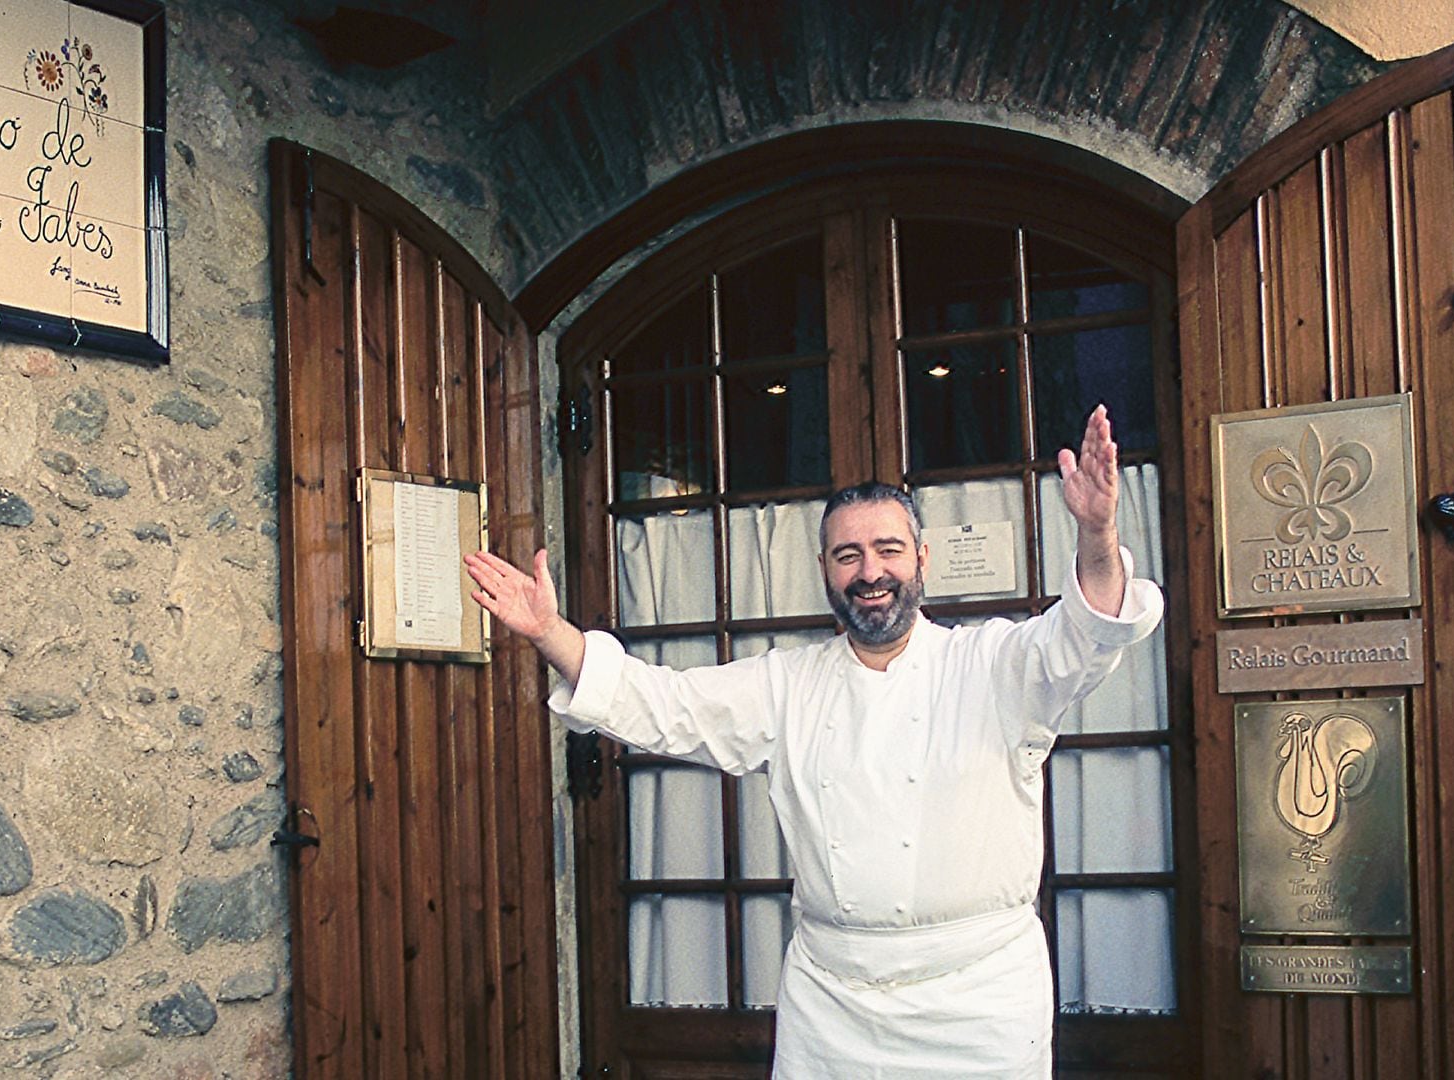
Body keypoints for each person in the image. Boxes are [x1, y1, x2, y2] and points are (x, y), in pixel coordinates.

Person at [463, 405, 1163, 1078]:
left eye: (888, 550)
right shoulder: (789, 684)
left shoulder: (994, 665)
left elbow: (1086, 634)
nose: (869, 573)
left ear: (922, 558)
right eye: (847, 555)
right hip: (834, 1006)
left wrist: (1097, 535)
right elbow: (664, 705)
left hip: (980, 1003)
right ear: (825, 569)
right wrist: (550, 634)